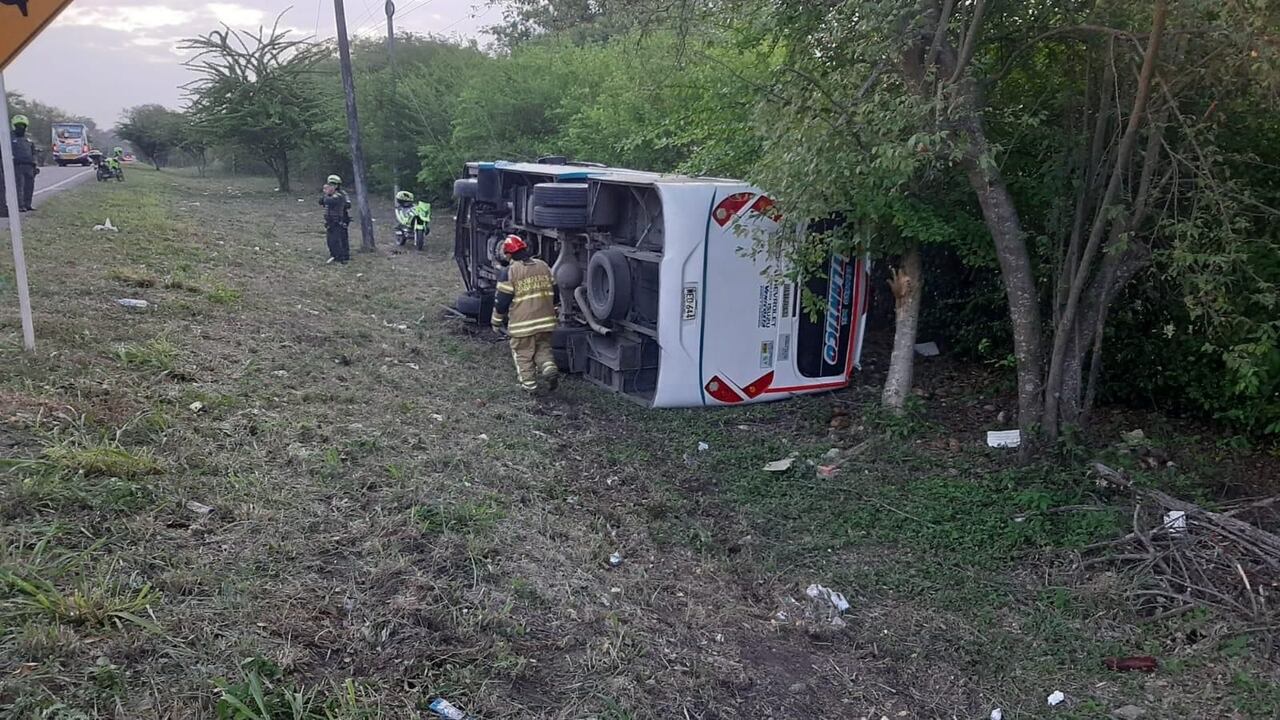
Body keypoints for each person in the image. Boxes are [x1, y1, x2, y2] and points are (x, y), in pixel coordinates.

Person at [491, 235, 559, 394]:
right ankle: (549, 367)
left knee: (523, 354)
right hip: (546, 322)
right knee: (543, 348)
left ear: (508, 254)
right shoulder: (543, 266)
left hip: (523, 325)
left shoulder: (510, 272)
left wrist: (496, 322)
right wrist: (555, 309)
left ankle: (529, 387)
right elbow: (555, 292)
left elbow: (501, 302)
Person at [9, 115, 39, 213]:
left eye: (23, 125)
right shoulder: (9, 137)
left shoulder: (29, 138)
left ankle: (28, 204)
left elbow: (33, 151)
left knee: (29, 186)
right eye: (18, 125)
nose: (21, 127)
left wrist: (35, 164)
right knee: (19, 186)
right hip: (17, 165)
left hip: (29, 165)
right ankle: (20, 205)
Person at [319, 174, 351, 264]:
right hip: (331, 220)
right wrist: (327, 194)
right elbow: (321, 201)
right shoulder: (330, 195)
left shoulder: (340, 195)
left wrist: (327, 194)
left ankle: (341, 257)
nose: (330, 186)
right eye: (330, 184)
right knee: (331, 240)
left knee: (339, 239)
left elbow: (330, 201)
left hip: (339, 219)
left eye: (333, 184)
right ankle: (336, 255)